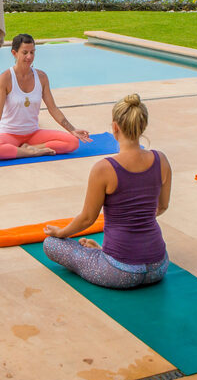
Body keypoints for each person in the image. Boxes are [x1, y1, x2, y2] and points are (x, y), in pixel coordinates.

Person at [41, 94, 171, 288]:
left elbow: (87, 219)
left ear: (115, 127)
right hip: (158, 267)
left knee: (51, 244)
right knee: (114, 252)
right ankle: (102, 252)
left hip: (119, 272)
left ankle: (102, 255)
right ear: (143, 126)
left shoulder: (104, 168)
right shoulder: (161, 160)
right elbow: (162, 207)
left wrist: (61, 232)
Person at [0, 33, 92, 159]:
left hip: (33, 134)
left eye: (32, 52)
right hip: (9, 134)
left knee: (72, 142)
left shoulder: (41, 77)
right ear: (14, 53)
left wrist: (72, 130)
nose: (29, 57)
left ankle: (29, 149)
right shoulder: (5, 78)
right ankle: (33, 152)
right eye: (25, 53)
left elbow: (53, 108)